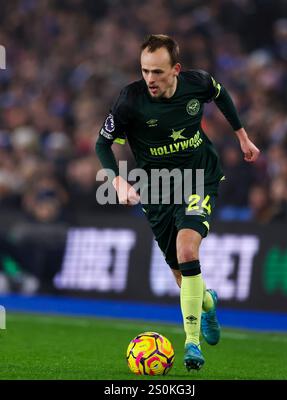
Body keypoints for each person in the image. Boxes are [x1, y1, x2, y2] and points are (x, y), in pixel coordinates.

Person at [95, 34, 260, 371]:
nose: (150, 79)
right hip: (157, 191)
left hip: (200, 176)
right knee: (182, 276)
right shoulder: (129, 101)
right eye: (145, 71)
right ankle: (209, 304)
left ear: (176, 70)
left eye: (157, 72)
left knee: (188, 251)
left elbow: (221, 95)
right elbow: (102, 144)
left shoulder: (195, 83)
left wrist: (242, 136)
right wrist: (118, 180)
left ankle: (192, 344)